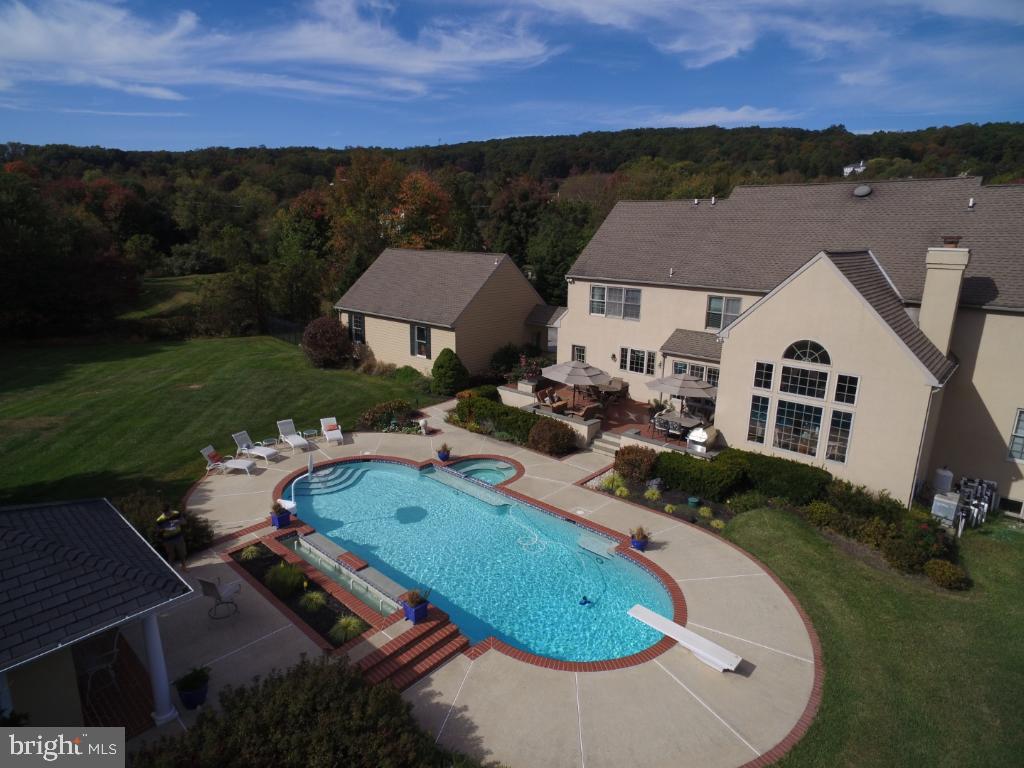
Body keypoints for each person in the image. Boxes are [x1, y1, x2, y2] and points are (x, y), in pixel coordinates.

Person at [156, 504, 188, 570]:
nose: (168, 515)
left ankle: (184, 566)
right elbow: (158, 530)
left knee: (182, 552)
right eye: (165, 513)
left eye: (168, 512)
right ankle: (171, 569)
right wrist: (165, 529)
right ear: (162, 512)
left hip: (178, 536)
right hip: (168, 539)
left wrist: (178, 521)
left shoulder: (176, 514)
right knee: (171, 555)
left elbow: (184, 522)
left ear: (170, 509)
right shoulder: (159, 520)